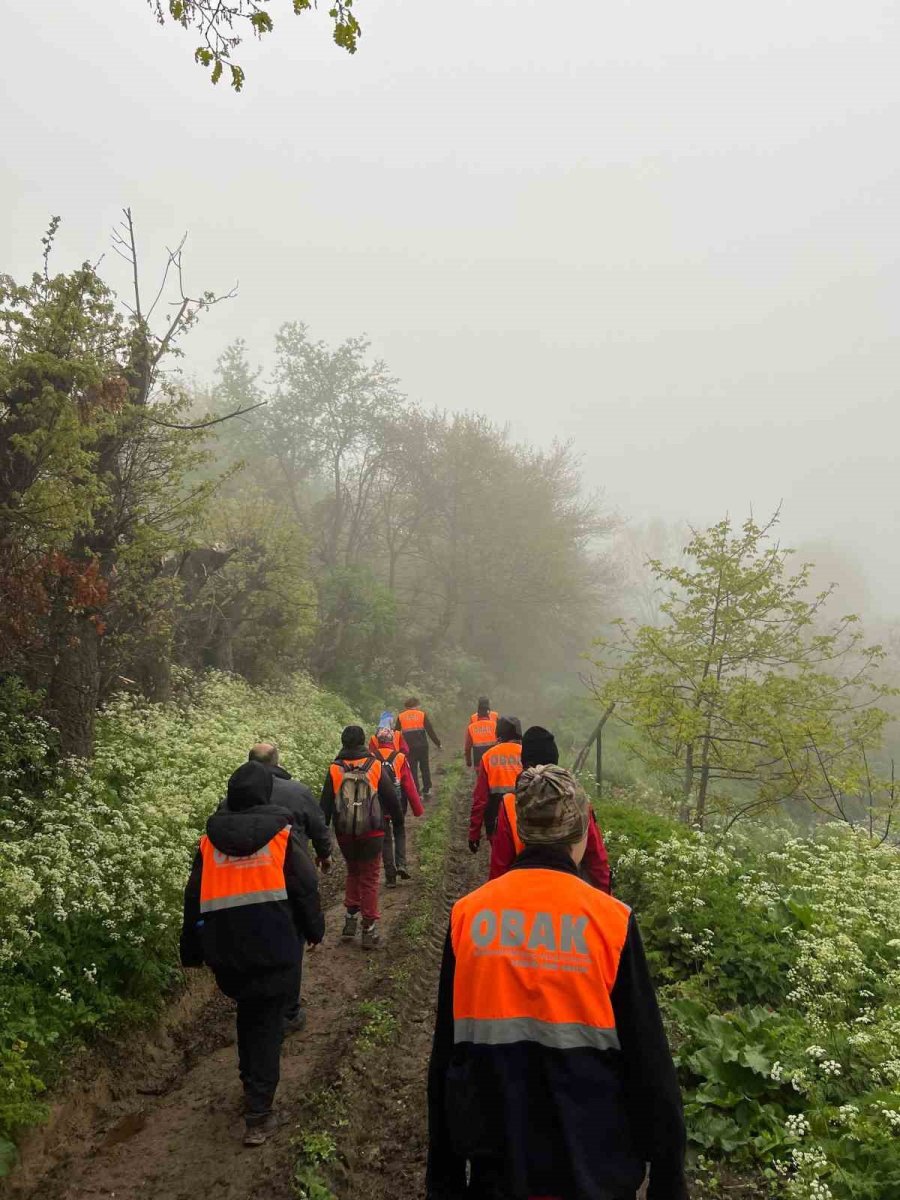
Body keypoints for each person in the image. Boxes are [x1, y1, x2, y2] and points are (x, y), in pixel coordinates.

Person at [427, 765, 688, 1200]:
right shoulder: (611, 921)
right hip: (593, 1165)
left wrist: (444, 1177)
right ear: (582, 832)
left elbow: (444, 1058)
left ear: (520, 831)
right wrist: (667, 1177)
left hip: (498, 1165)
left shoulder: (468, 916)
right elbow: (650, 1064)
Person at [180, 761, 325, 1147]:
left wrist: (192, 952)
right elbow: (305, 886)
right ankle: (258, 1112)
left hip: (227, 953)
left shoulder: (209, 842)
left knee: (250, 1011)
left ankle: (251, 1082)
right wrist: (315, 930)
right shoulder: (281, 836)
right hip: (276, 946)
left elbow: (193, 898)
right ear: (265, 793)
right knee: (266, 1023)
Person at [247, 742, 333, 1031]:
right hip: (288, 878)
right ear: (277, 760)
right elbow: (318, 826)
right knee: (291, 943)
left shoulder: (233, 796)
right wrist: (324, 853)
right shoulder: (296, 791)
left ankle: (257, 1005)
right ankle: (289, 1012)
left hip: (245, 882)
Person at [490, 726, 611, 893]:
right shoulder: (577, 799)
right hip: (571, 894)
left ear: (523, 763)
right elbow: (597, 860)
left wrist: (495, 897)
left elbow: (500, 865)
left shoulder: (510, 802)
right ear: (555, 762)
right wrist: (605, 898)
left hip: (521, 894)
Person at [320, 725, 404, 949]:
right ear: (364, 741)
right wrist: (398, 821)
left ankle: (349, 921)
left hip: (345, 832)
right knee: (369, 877)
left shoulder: (335, 769)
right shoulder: (374, 765)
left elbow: (325, 807)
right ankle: (369, 929)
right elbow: (391, 799)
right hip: (373, 831)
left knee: (353, 872)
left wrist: (322, 844)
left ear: (343, 742)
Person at [373, 725, 425, 885]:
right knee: (399, 831)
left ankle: (390, 877)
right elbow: (409, 785)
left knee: (386, 838)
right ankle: (401, 864)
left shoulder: (370, 757)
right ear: (392, 740)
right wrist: (417, 808)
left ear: (377, 740)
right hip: (397, 801)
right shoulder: (401, 757)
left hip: (379, 803)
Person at [468, 715, 522, 850]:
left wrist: (474, 833)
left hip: (496, 821)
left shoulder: (487, 756)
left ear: (498, 734)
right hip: (524, 821)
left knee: (500, 862)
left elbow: (480, 799)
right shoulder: (527, 754)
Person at [396, 697, 442, 798]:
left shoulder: (401, 716)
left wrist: (396, 748)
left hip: (409, 748)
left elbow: (396, 734)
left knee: (412, 770)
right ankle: (427, 789)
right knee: (425, 767)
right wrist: (438, 743)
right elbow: (430, 731)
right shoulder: (422, 715)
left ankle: (416, 792)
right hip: (423, 747)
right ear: (416, 705)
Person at [464, 697, 499, 771]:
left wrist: (468, 761)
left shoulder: (472, 722)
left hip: (478, 761)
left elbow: (467, 746)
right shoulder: (495, 722)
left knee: (480, 780)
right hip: (493, 761)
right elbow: (500, 741)